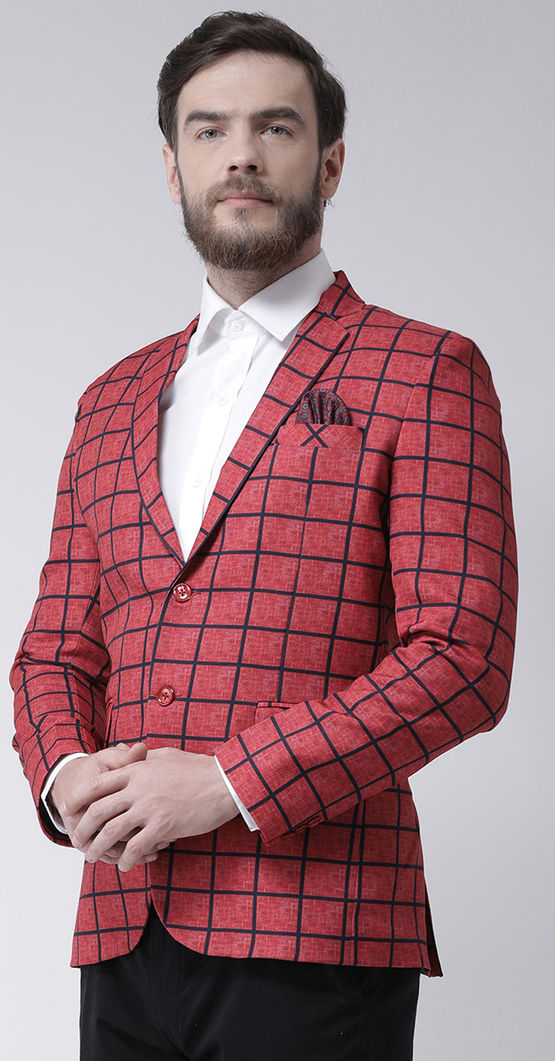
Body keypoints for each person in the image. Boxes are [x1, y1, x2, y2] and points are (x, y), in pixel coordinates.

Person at [10, 11, 518, 1061]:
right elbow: (54, 648)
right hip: (123, 928)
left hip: (318, 929)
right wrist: (65, 776)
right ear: (173, 167)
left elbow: (462, 656)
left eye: (274, 127)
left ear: (329, 163)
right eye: (208, 130)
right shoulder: (109, 399)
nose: (239, 152)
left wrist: (230, 781)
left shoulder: (424, 370)